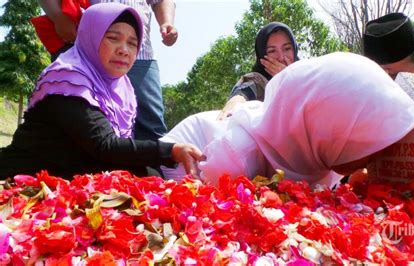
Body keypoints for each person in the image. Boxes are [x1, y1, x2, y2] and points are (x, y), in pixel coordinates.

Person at [160, 52, 414, 188]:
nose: (374, 157)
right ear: (328, 130)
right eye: (365, 140)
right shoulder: (237, 157)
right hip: (175, 169)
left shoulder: (309, 146)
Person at [0, 3, 202, 179]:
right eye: (113, 38)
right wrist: (171, 151)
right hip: (22, 175)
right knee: (146, 175)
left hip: (70, 173)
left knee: (147, 175)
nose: (124, 49)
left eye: (132, 43)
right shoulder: (69, 79)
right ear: (91, 37)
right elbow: (104, 145)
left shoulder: (122, 89)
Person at [38, 0, 178, 140]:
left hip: (139, 55)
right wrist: (58, 16)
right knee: (76, 123)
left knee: (151, 130)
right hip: (86, 51)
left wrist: (167, 22)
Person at [217, 22, 299, 120]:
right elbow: (242, 94)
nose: (281, 57)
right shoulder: (258, 81)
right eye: (272, 51)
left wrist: (291, 80)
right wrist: (231, 108)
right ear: (262, 54)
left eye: (287, 48)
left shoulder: (308, 76)